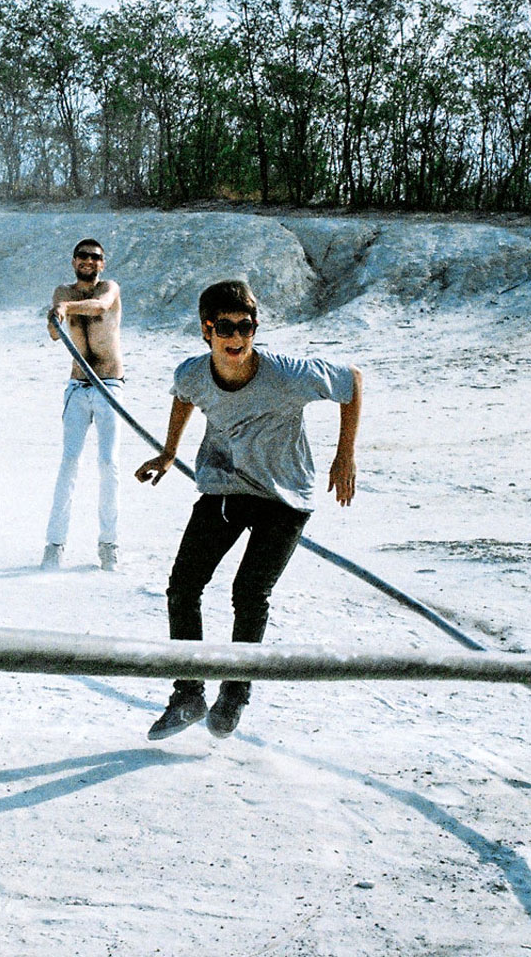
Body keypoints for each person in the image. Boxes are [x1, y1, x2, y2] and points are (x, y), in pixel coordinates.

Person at [134, 279, 362, 739]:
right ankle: (188, 694)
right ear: (206, 330)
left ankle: (235, 694)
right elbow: (184, 397)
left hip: (285, 496)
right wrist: (168, 451)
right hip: (226, 485)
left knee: (249, 592)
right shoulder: (193, 373)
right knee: (183, 586)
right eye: (225, 328)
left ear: (255, 329)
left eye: (246, 327)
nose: (236, 339)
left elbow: (351, 381)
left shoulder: (288, 374)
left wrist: (345, 456)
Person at [43, 237, 124, 571]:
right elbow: (53, 333)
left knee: (108, 465)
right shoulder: (62, 292)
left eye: (95, 257)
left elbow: (101, 306)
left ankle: (109, 545)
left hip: (110, 386)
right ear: (73, 260)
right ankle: (54, 545)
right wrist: (55, 317)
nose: (89, 261)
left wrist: (66, 309)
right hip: (78, 387)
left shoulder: (110, 287)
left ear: (102, 263)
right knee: (69, 465)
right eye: (83, 256)